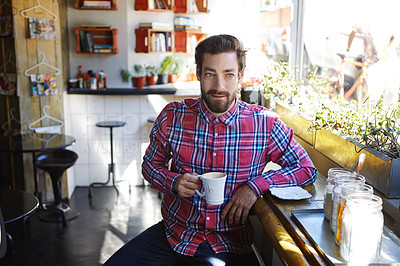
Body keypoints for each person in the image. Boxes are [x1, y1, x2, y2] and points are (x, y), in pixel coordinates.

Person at [104, 34, 317, 265]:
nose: (219, 86)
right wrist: (173, 182)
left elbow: (306, 169)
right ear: (198, 73)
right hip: (172, 234)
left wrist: (254, 187)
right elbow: (150, 166)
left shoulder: (265, 124)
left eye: (228, 75)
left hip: (226, 243)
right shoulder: (172, 116)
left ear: (240, 77)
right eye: (210, 74)